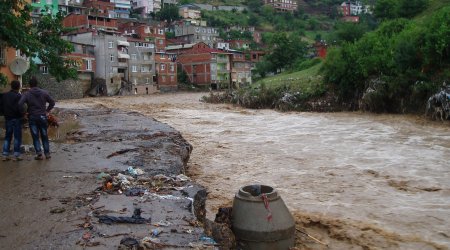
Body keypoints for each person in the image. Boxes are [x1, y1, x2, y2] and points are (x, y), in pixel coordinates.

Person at [18, 76, 55, 160]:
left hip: (32, 117)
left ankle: (39, 154)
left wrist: (24, 113)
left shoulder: (27, 94)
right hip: (42, 116)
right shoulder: (44, 92)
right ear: (37, 84)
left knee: (35, 136)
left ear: (29, 85)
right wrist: (47, 111)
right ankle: (47, 154)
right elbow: (52, 102)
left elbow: (20, 104)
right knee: (44, 135)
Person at [2, 80, 24, 161]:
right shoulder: (18, 96)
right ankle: (16, 155)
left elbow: (1, 107)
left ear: (11, 86)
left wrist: (4, 114)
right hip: (16, 119)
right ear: (18, 87)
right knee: (17, 137)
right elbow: (20, 108)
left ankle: (5, 154)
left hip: (8, 119)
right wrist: (22, 114)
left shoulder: (5, 95)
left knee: (8, 136)